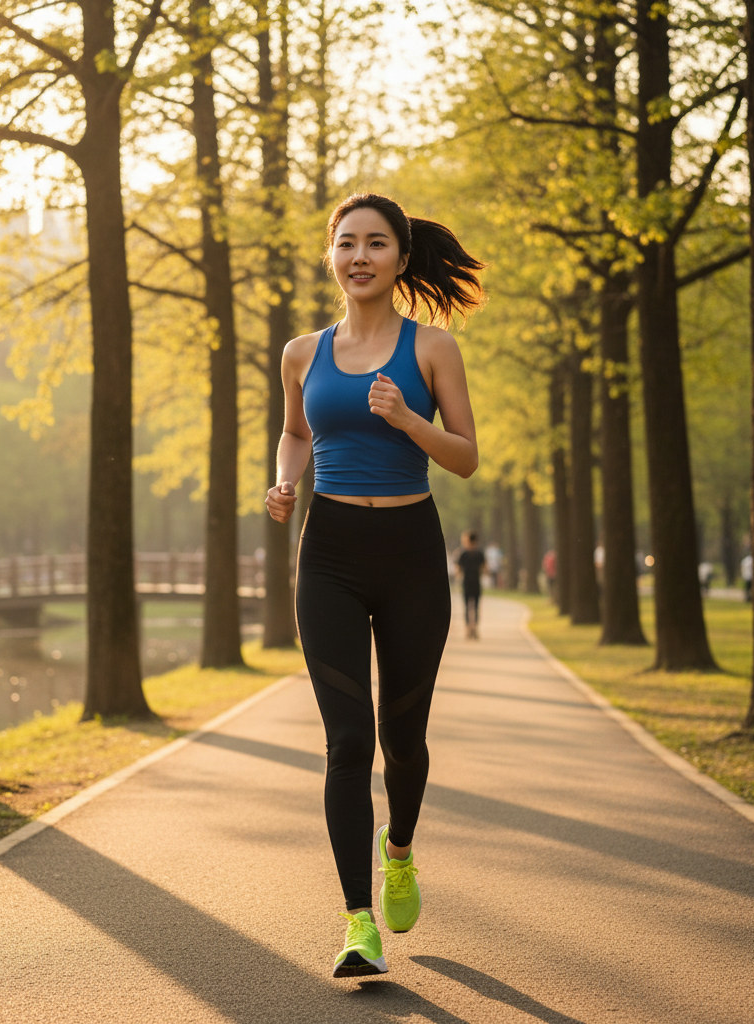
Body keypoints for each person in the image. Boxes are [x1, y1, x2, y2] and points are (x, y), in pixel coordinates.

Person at [265, 192, 483, 979]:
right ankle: (359, 924)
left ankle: (399, 851)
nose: (360, 256)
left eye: (377, 243)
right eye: (347, 243)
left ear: (399, 257)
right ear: (333, 255)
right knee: (348, 739)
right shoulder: (300, 352)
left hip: (410, 551)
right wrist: (284, 482)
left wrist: (409, 422)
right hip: (328, 551)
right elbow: (295, 434)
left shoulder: (431, 350)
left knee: (404, 739)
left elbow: (464, 455)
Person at [455, 531, 486, 639]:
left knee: (468, 607)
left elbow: (458, 570)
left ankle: (469, 628)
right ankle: (474, 628)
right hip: (476, 583)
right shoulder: (479, 553)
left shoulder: (462, 553)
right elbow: (484, 569)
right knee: (475, 607)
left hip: (467, 583)